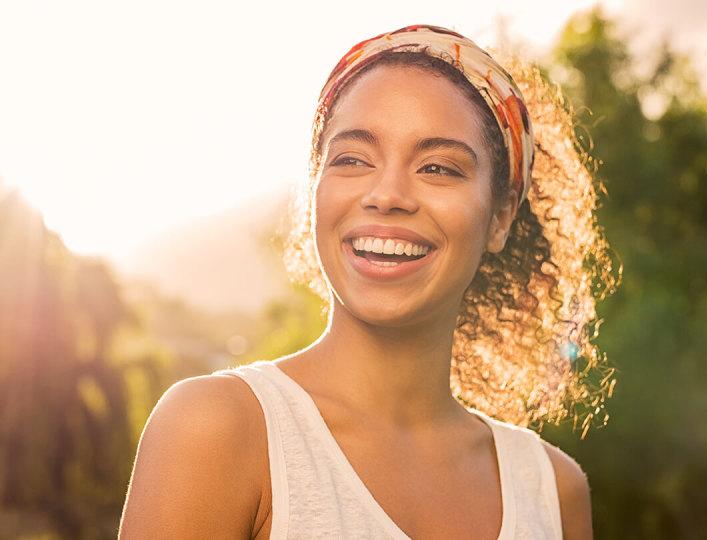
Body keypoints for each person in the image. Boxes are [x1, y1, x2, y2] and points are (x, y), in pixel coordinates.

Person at [119, 23, 616, 539]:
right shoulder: (217, 429)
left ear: (500, 218)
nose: (387, 194)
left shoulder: (553, 492)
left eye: (439, 168)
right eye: (352, 159)